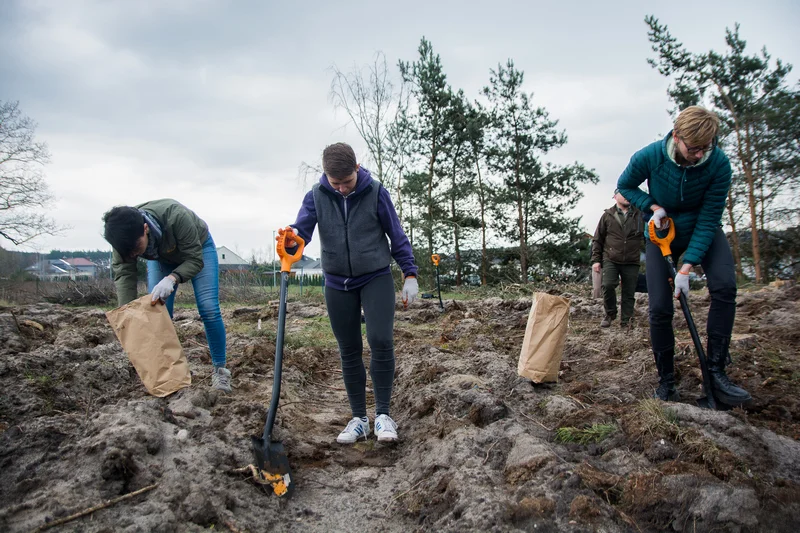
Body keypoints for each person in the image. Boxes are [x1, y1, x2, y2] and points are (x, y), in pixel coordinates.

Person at [282, 142, 418, 444]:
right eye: (336, 183)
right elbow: (302, 234)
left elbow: (396, 234)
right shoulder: (316, 197)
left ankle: (383, 415)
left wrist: (409, 273)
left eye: (347, 181)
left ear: (357, 169)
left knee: (381, 339)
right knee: (349, 347)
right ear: (326, 176)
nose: (342, 188)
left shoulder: (377, 192)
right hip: (337, 281)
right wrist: (290, 240)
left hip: (375, 276)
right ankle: (358, 418)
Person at [617, 106, 750, 406]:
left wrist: (686, 267)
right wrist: (652, 207)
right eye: (694, 149)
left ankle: (715, 373)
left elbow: (708, 219)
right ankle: (666, 382)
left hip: (701, 229)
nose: (700, 155)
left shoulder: (718, 164)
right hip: (662, 232)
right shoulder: (649, 157)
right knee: (661, 307)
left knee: (725, 287)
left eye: (706, 148)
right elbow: (624, 185)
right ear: (676, 137)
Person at [103, 199, 232, 393]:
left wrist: (172, 278)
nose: (135, 254)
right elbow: (124, 274)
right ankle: (165, 375)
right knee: (157, 311)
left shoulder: (176, 216)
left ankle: (220, 371)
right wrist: (128, 312)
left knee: (208, 308)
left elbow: (195, 260)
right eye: (130, 253)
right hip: (161, 257)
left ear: (145, 228)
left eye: (138, 249)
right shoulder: (123, 240)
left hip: (197, 249)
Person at [591, 189, 644, 328]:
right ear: (615, 196)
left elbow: (647, 238)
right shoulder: (607, 216)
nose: (627, 197)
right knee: (607, 285)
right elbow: (597, 239)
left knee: (629, 292)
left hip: (631, 260)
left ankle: (626, 321)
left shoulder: (639, 215)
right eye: (622, 193)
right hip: (611, 258)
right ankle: (610, 313)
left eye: (628, 193)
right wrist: (596, 260)